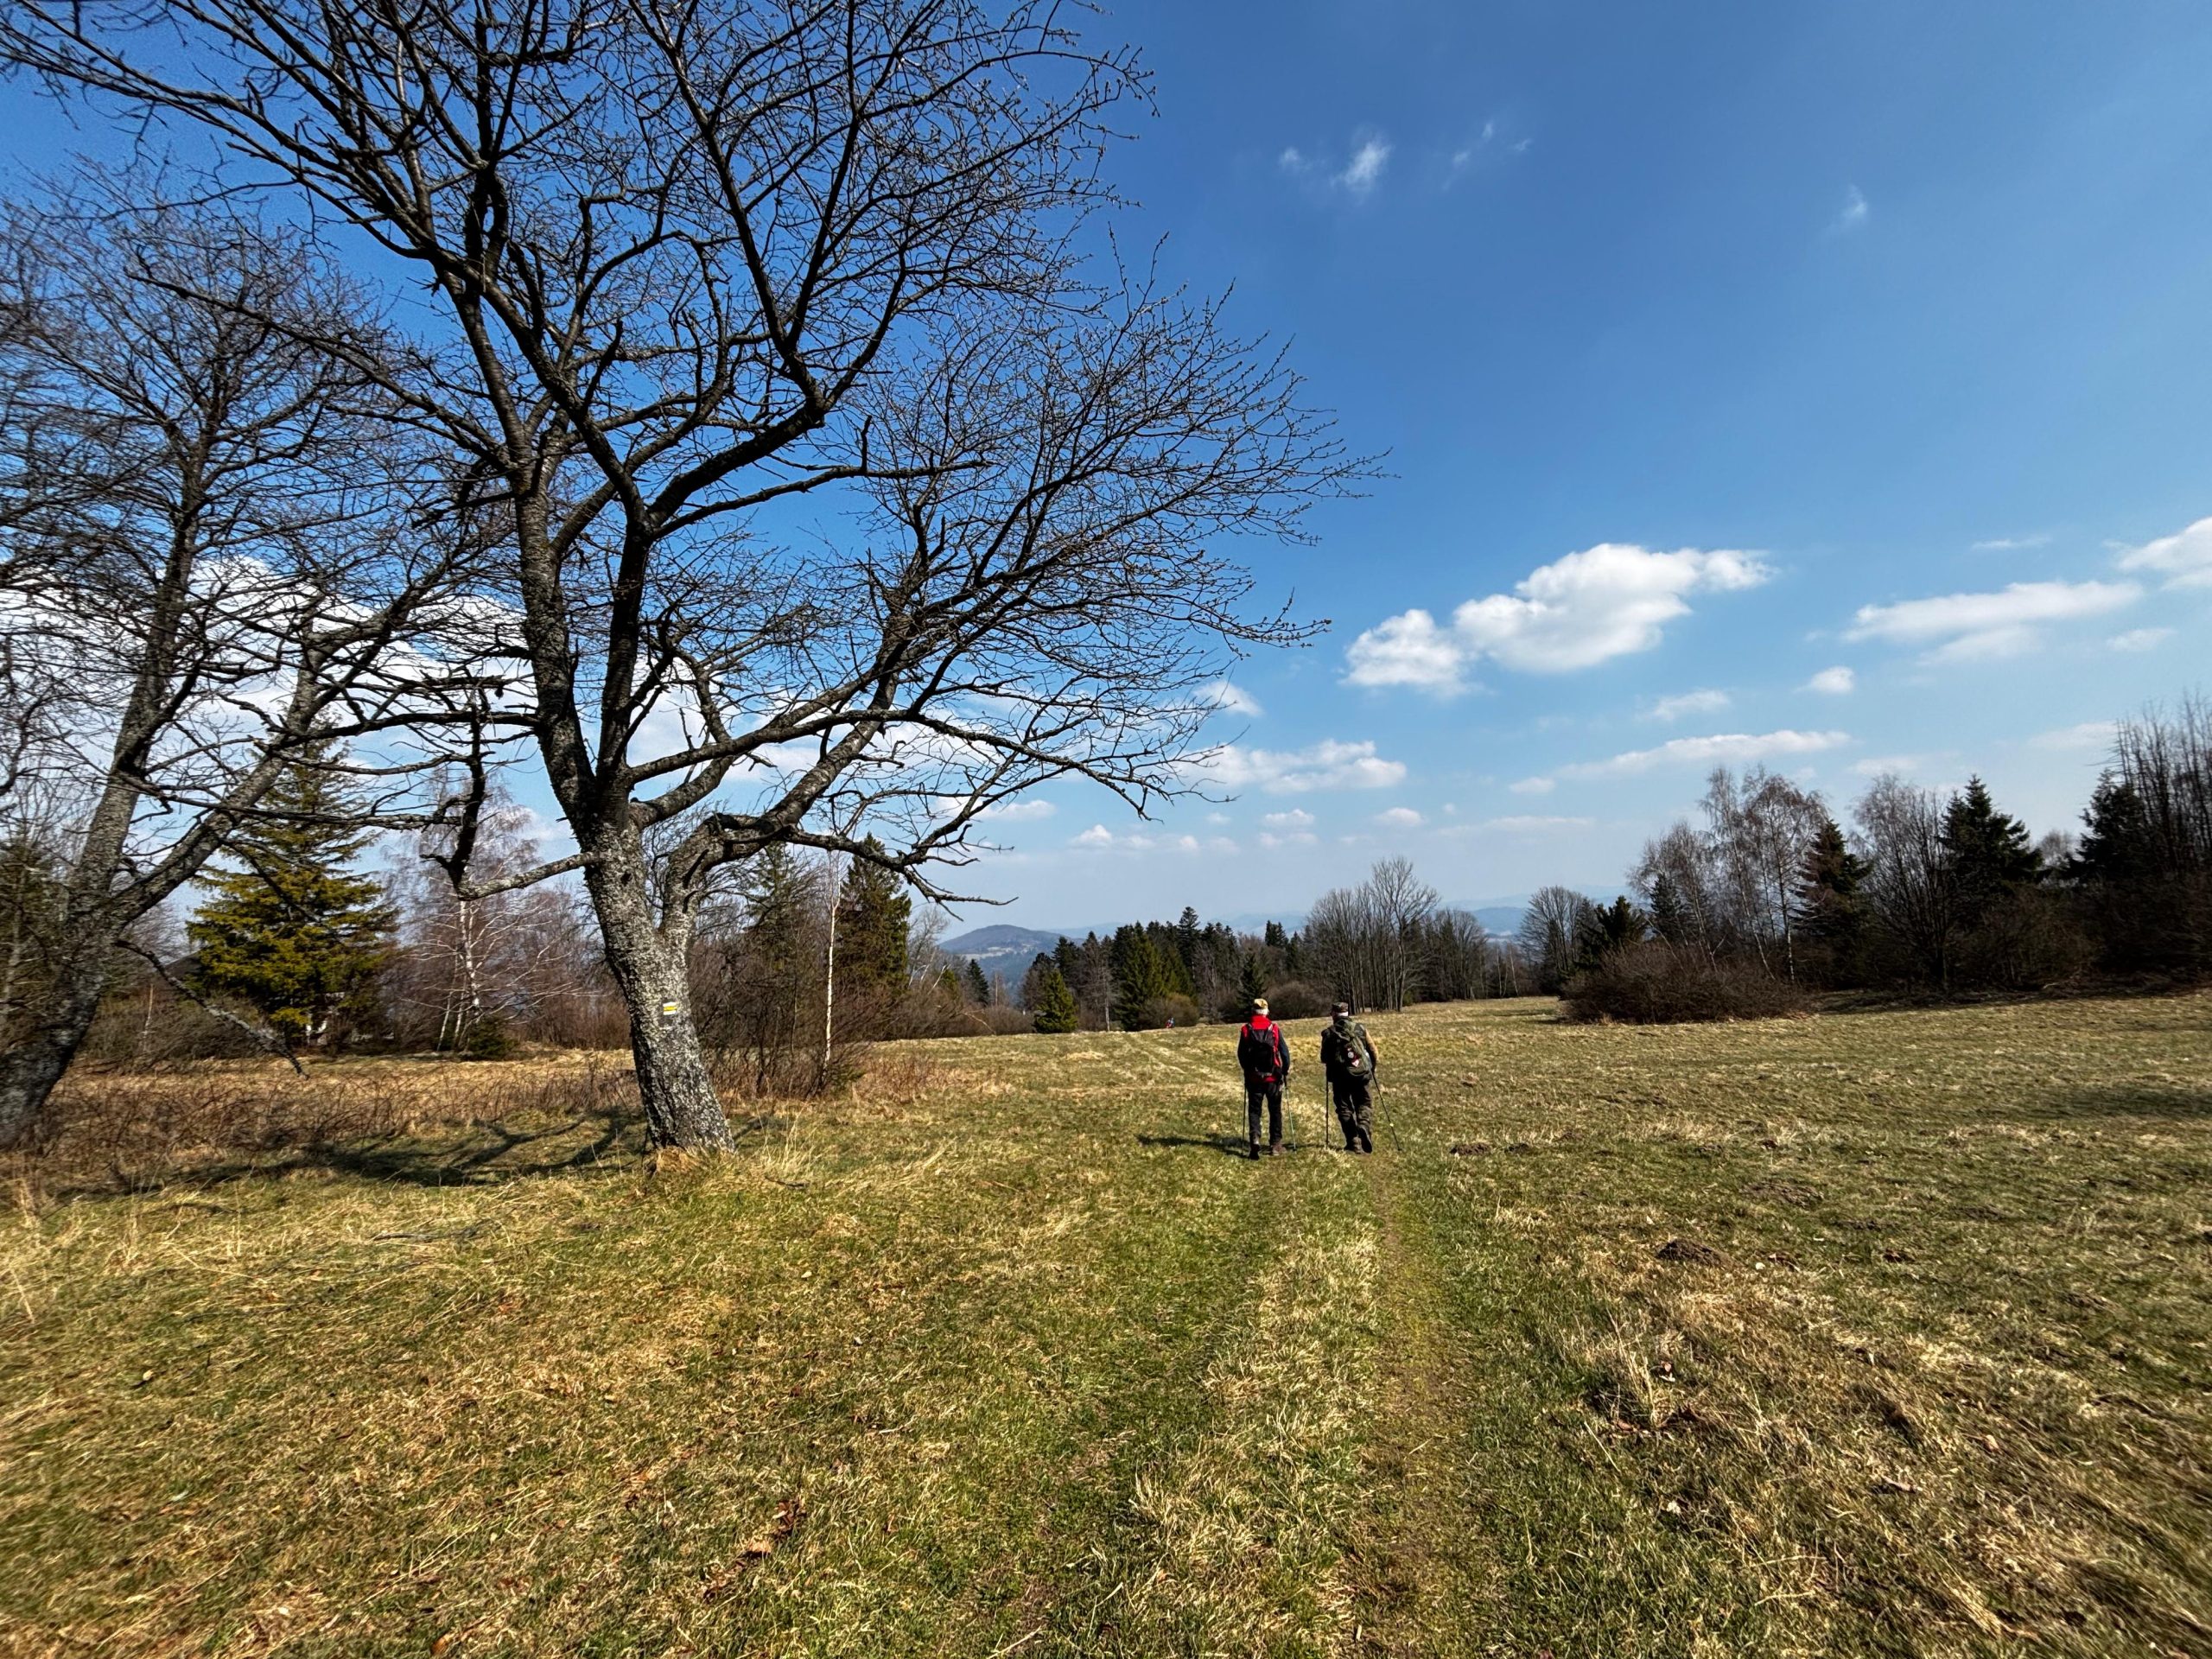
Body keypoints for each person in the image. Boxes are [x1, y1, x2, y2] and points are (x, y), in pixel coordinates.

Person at [1236, 996, 1291, 1160]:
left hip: (1254, 1078)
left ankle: (1255, 1137)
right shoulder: (1274, 1028)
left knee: (1254, 1110)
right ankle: (1275, 1145)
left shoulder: (1246, 1029)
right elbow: (1284, 1052)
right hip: (1273, 1077)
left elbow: (1241, 1054)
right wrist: (1284, 1070)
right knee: (1275, 1110)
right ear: (1266, 1012)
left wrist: (1247, 1070)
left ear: (1253, 1011)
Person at [1320, 1001, 1378, 1153]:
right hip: (1361, 1074)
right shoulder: (1360, 1029)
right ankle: (1363, 1125)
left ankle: (1353, 1142)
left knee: (1344, 1108)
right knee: (1364, 1102)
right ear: (1347, 1013)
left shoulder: (1328, 1033)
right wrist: (1372, 1068)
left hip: (1339, 1077)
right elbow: (1373, 1050)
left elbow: (1324, 1057)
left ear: (1334, 1014)